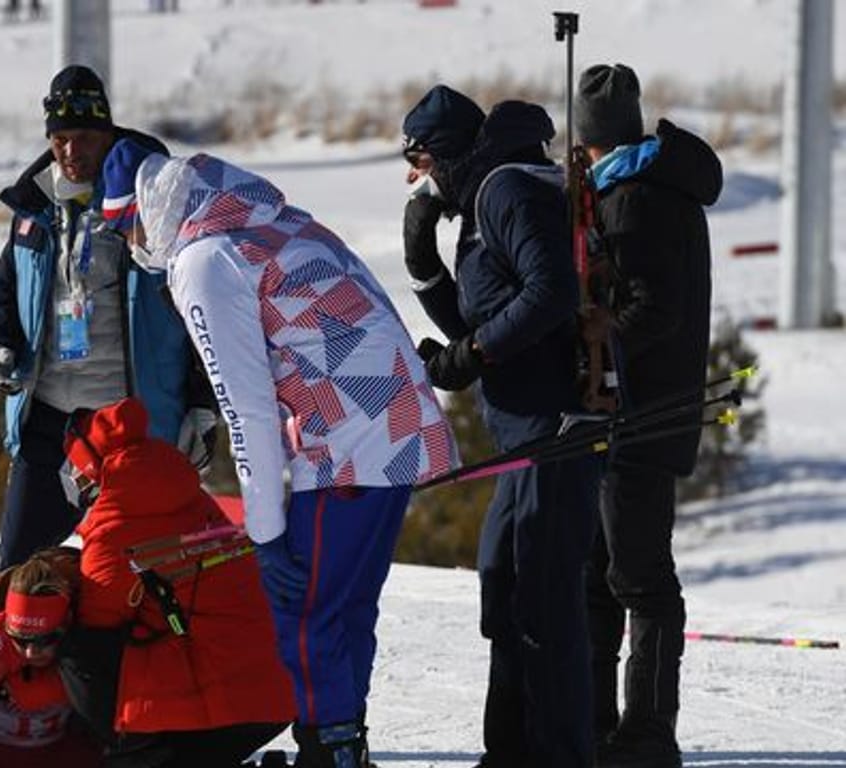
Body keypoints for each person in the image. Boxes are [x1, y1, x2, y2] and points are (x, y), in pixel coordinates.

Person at [104, 140, 459, 767]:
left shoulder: (204, 260)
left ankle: (329, 752)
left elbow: (248, 410)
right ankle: (344, 745)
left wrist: (265, 532)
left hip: (346, 444)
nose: (131, 244)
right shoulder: (259, 220)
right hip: (396, 429)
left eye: (125, 224)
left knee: (302, 615)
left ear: (151, 207)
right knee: (345, 608)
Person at [400, 85, 602, 767]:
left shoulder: (506, 193)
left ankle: (562, 754)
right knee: (502, 583)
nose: (416, 178)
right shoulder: (487, 198)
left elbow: (553, 293)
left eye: (421, 160)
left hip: (559, 426)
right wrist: (427, 273)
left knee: (545, 602)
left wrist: (474, 355)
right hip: (524, 431)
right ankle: (510, 749)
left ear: (449, 152)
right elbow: (478, 322)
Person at [0, 64, 214, 570]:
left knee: (133, 572)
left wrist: (201, 404)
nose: (70, 151)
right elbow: (5, 289)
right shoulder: (33, 206)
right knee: (18, 567)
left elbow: (201, 308)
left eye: (84, 137)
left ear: (108, 135)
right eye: (60, 138)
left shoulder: (156, 200)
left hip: (130, 419)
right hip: (47, 416)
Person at [575, 64, 722, 768]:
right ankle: (600, 720)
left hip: (642, 415)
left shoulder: (637, 200)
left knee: (639, 580)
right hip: (635, 414)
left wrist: (600, 327)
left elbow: (653, 310)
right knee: (599, 575)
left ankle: (646, 732)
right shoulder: (642, 189)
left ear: (596, 141)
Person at [60, 398, 293, 767]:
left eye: (75, 468)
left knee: (76, 651)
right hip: (271, 691)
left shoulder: (113, 523)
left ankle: (132, 750)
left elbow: (99, 626)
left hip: (221, 705)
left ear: (91, 468)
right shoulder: (182, 488)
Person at [0, 555, 104, 768]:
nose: (30, 652)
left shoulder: (86, 633)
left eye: (45, 640)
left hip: (64, 751)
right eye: (19, 639)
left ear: (67, 622)